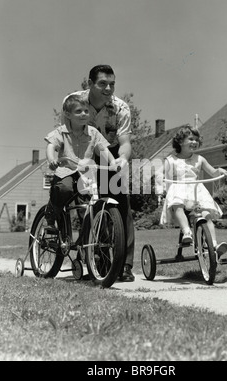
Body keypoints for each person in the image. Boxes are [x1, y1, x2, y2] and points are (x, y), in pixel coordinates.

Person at [62, 65, 135, 282]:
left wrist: (122, 159)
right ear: (90, 83)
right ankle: (97, 260)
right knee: (85, 201)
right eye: (102, 83)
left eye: (112, 84)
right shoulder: (74, 102)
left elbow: (125, 143)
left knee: (120, 205)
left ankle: (124, 265)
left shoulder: (121, 108)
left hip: (109, 152)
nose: (108, 88)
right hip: (80, 149)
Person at [45, 94, 115, 230]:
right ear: (68, 114)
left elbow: (103, 149)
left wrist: (113, 162)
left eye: (86, 111)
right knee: (64, 188)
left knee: (88, 207)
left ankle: (86, 243)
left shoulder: (93, 133)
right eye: (78, 111)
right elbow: (51, 146)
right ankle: (51, 212)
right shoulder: (61, 132)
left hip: (86, 173)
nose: (83, 114)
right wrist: (52, 159)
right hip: (66, 171)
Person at [160, 125, 227, 256]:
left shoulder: (199, 159)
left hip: (196, 190)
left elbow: (213, 172)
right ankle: (187, 232)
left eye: (196, 140)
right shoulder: (170, 160)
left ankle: (213, 244)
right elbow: (164, 177)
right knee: (178, 206)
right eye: (190, 139)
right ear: (180, 142)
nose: (194, 142)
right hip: (178, 188)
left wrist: (218, 171)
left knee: (206, 215)